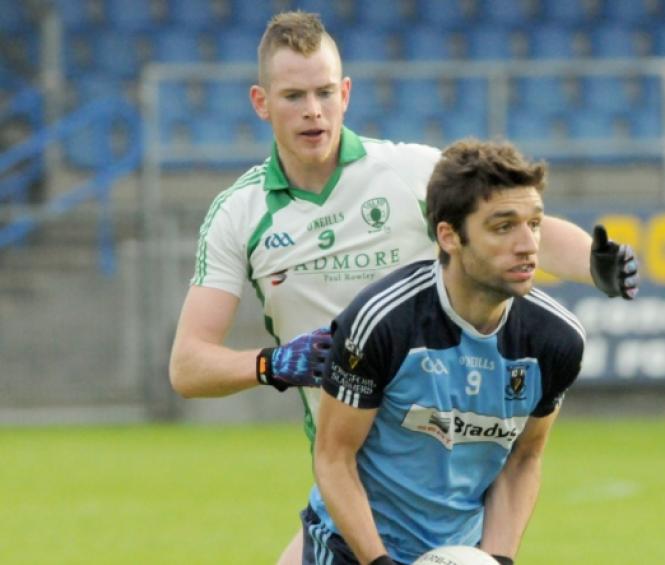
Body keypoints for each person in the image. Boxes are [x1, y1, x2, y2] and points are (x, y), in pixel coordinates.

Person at [167, 10, 637, 565]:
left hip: (443, 450)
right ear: (261, 102)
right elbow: (188, 367)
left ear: (346, 92)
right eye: (293, 95)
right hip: (349, 460)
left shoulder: (409, 172)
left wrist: (594, 264)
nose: (313, 111)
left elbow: (512, 220)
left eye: (324, 92)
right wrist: (273, 364)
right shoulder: (238, 213)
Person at [308, 138, 584, 564]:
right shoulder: (382, 322)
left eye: (534, 223)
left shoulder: (555, 340)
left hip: (460, 552)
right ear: (449, 236)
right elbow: (333, 457)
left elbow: (524, 459)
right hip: (354, 549)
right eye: (503, 226)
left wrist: (497, 560)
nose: (528, 244)